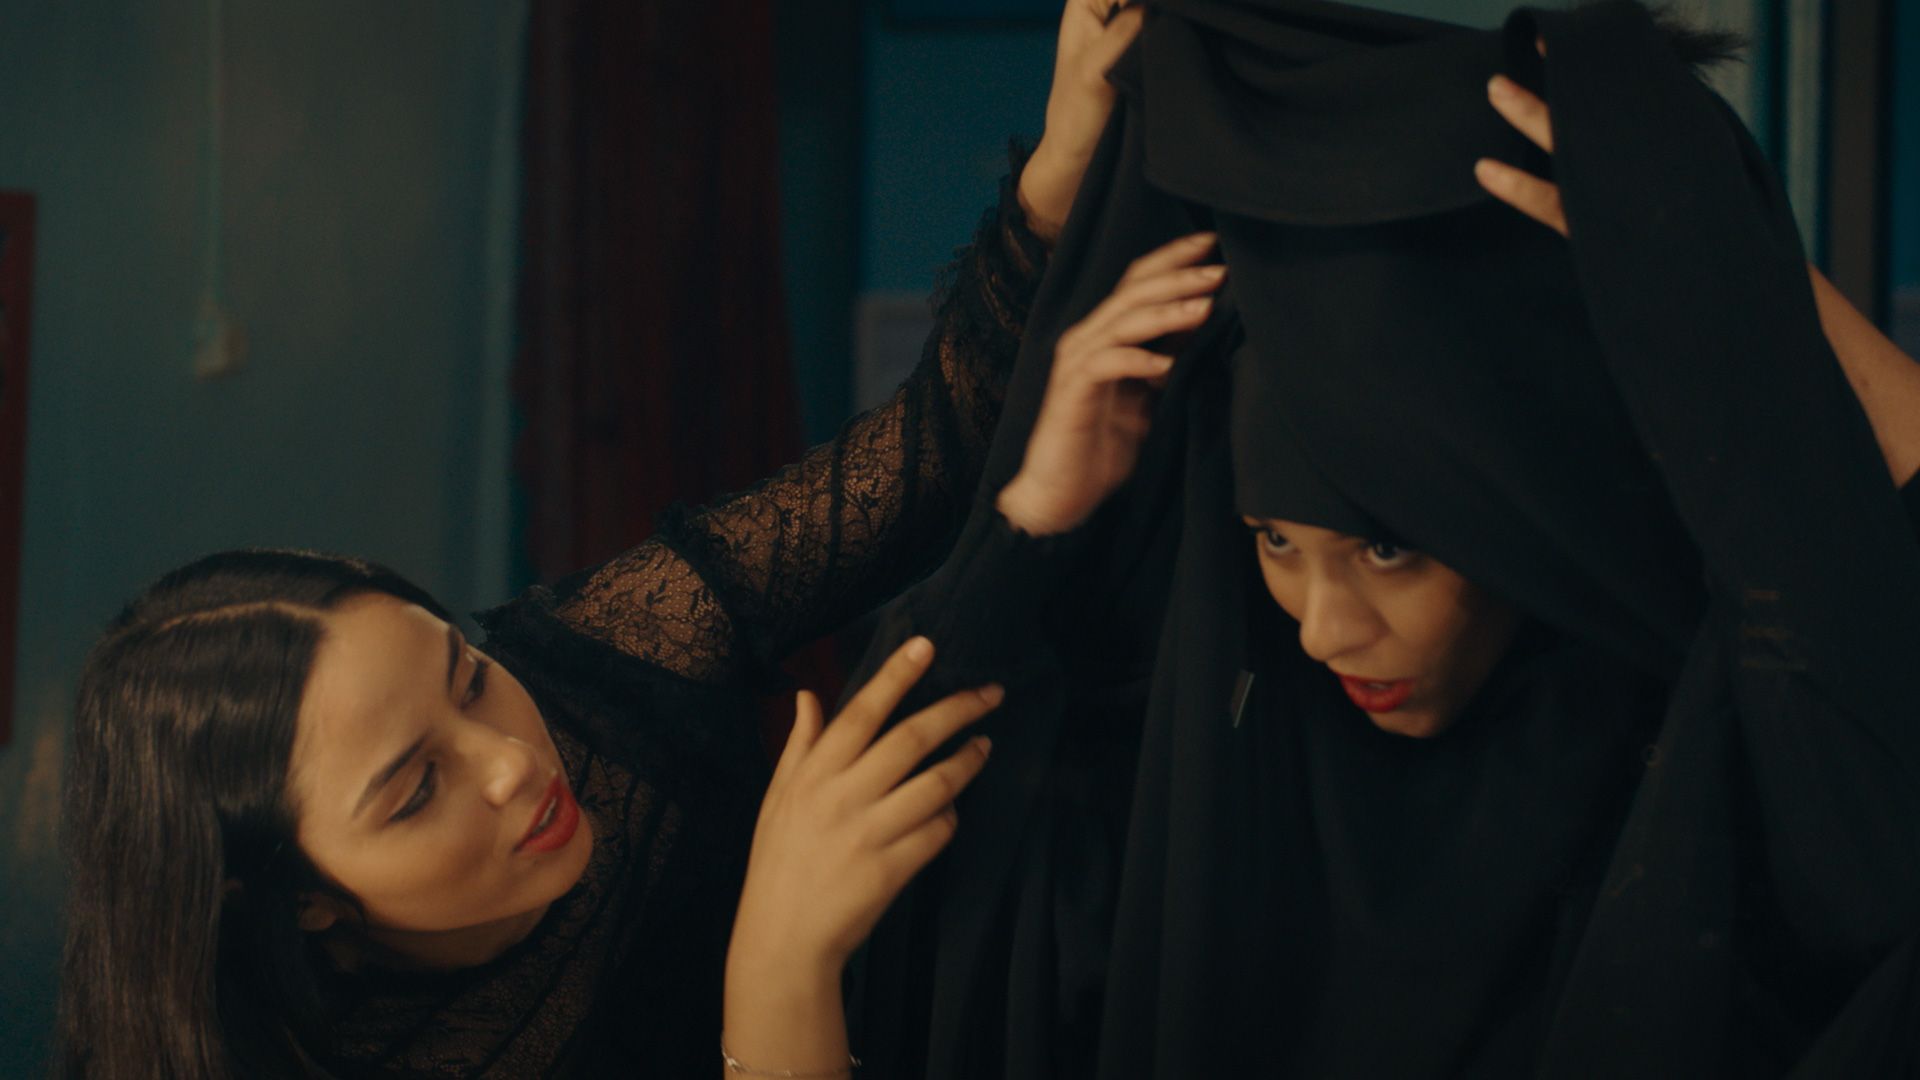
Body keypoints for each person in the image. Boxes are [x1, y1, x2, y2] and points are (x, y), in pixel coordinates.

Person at [52, 4, 1148, 1076]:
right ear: (300, 903)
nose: (512, 763)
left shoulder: (599, 671)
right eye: (415, 790)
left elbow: (916, 463)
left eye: (470, 677)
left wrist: (1057, 176)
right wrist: (778, 964)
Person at [842, 1, 1920, 1076]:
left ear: (1520, 519)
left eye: (1386, 551)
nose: (1323, 630)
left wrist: (1747, 278)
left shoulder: (1714, 773)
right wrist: (1029, 522)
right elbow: (916, 909)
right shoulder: (1214, 773)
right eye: (1274, 541)